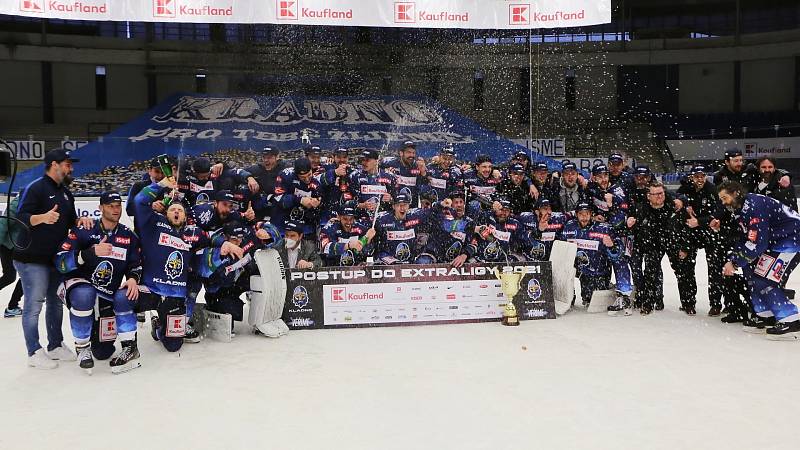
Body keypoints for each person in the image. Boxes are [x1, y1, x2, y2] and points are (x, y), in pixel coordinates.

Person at [131, 178, 233, 352]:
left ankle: (159, 325)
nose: (176, 212)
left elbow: (210, 239)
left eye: (180, 210)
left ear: (186, 216)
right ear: (166, 214)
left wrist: (223, 245)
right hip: (150, 289)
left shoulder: (193, 232)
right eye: (172, 210)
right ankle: (126, 343)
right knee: (120, 299)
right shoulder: (154, 224)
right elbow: (139, 201)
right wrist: (161, 185)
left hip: (174, 294)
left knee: (173, 345)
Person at [14, 149, 94, 368]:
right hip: (31, 258)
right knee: (34, 304)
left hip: (55, 259)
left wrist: (80, 222)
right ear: (54, 164)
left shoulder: (66, 193)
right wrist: (43, 218)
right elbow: (20, 217)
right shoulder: (35, 188)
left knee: (56, 302)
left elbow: (70, 221)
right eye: (68, 164)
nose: (71, 168)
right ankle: (33, 351)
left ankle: (55, 345)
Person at [54, 192, 142, 374]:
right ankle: (82, 347)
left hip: (105, 296)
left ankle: (128, 347)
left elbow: (136, 264)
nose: (115, 209)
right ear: (100, 208)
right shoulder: (85, 229)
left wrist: (133, 278)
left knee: (102, 352)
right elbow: (60, 261)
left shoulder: (128, 236)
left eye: (118, 205)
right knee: (84, 294)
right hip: (79, 287)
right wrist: (89, 253)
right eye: (110, 205)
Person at [719, 182, 800, 339]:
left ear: (735, 193)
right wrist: (735, 258)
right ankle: (766, 314)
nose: (723, 202)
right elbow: (746, 238)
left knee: (764, 278)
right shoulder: (741, 208)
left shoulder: (754, 206)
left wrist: (735, 263)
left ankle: (791, 320)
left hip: (792, 240)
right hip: (777, 240)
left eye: (725, 198)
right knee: (752, 273)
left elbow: (758, 242)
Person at [674, 166, 731, 317]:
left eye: (702, 176)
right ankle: (688, 303)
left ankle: (716, 304)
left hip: (709, 232)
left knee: (714, 270)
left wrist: (700, 221)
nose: (700, 179)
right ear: (691, 177)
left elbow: (720, 212)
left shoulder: (713, 190)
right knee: (686, 268)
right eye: (696, 176)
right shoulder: (686, 188)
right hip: (690, 234)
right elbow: (676, 197)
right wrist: (684, 202)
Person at [560, 202, 631, 315]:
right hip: (581, 270)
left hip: (600, 271)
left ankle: (623, 292)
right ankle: (567, 295)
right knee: (588, 299)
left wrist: (612, 246)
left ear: (592, 215)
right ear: (576, 215)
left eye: (587, 214)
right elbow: (561, 249)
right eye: (581, 214)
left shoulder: (604, 229)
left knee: (620, 261)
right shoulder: (569, 227)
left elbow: (618, 253)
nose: (584, 217)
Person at [627, 183, 685, 315]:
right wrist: (629, 223)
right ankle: (648, 302)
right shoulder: (641, 209)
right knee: (650, 273)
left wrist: (684, 246)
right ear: (648, 196)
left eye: (661, 193)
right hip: (651, 244)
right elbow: (631, 225)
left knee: (682, 271)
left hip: (672, 243)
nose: (659, 196)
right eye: (656, 194)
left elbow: (685, 225)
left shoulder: (673, 206)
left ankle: (688, 302)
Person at [273, 158, 323, 237]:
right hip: (282, 223)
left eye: (309, 175)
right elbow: (278, 199)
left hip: (303, 225)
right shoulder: (285, 175)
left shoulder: (317, 181)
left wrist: (316, 203)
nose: (307, 179)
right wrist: (300, 199)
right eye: (303, 177)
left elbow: (319, 201)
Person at [470, 198, 527, 263]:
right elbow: (468, 224)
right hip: (481, 260)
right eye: (501, 210)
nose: (504, 213)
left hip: (503, 261)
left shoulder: (515, 224)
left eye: (507, 210)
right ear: (495, 210)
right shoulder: (486, 217)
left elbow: (524, 242)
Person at [347, 149, 397, 222]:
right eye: (362, 160)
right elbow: (347, 201)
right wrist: (362, 205)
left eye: (367, 160)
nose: (364, 163)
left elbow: (398, 200)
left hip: (383, 220)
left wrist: (391, 199)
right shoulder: (355, 176)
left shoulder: (389, 176)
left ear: (377, 161)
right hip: (361, 219)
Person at [319, 202, 375, 267]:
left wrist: (367, 239)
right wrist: (347, 246)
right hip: (333, 267)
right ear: (338, 217)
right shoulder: (329, 228)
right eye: (345, 219)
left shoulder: (360, 228)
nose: (348, 222)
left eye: (351, 219)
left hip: (355, 268)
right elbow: (324, 247)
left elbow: (367, 247)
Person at [380, 141, 428, 206]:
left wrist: (423, 173)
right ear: (401, 153)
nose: (412, 155)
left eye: (413, 153)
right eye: (409, 152)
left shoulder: (418, 166)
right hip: (393, 207)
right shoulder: (389, 164)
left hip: (411, 208)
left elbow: (424, 187)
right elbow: (376, 175)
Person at [245, 147, 287, 220]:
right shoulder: (257, 169)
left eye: (269, 157)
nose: (266, 160)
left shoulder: (285, 169)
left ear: (277, 157)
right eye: (264, 157)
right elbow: (237, 172)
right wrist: (249, 177)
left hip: (280, 205)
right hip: (261, 206)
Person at [0, 194, 23, 317]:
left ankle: (12, 306)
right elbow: (4, 222)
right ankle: (13, 306)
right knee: (25, 275)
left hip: (21, 244)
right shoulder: (20, 200)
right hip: (10, 244)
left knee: (11, 276)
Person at [318, 147, 354, 225]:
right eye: (338, 157)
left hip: (346, 219)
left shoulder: (353, 172)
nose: (341, 160)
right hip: (326, 217)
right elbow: (318, 181)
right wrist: (335, 173)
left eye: (344, 157)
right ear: (333, 157)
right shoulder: (326, 168)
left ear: (348, 158)